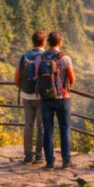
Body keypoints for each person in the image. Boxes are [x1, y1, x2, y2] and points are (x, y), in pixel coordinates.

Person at [36, 31, 75, 169]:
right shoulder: (65, 58)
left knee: (48, 130)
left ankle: (50, 162)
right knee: (64, 129)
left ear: (48, 43)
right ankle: (66, 161)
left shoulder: (40, 58)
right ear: (60, 42)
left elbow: (37, 77)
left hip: (45, 98)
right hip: (62, 97)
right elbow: (72, 80)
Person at [14, 31, 46, 165]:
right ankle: (39, 156)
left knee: (28, 125)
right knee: (41, 126)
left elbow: (16, 80)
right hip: (42, 97)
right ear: (44, 42)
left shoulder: (23, 58)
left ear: (33, 41)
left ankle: (28, 155)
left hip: (26, 96)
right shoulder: (45, 57)